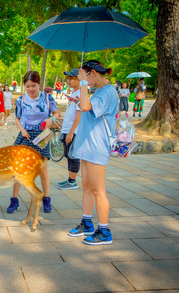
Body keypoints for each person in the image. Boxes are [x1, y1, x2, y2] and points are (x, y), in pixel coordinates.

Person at [68, 60, 118, 246]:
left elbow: (88, 107)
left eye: (85, 75)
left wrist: (82, 84)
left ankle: (104, 231)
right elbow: (87, 106)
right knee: (87, 186)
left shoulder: (108, 92)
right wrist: (79, 98)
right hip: (88, 145)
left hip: (97, 146)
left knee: (98, 190)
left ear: (94, 73)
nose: (85, 79)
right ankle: (87, 222)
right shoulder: (99, 91)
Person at [7, 71, 59, 214]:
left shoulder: (47, 98)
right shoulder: (21, 100)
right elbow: (17, 118)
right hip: (26, 135)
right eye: (28, 86)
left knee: (43, 170)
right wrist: (22, 130)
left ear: (39, 84)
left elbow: (56, 113)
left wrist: (51, 120)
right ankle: (14, 200)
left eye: (34, 86)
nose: (31, 89)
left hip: (43, 134)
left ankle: (46, 199)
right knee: (19, 170)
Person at [58, 68, 81, 190]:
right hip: (67, 130)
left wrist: (71, 132)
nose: (68, 81)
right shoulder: (73, 94)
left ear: (79, 80)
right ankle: (69, 179)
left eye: (71, 79)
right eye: (68, 79)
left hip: (73, 131)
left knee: (73, 155)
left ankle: (73, 181)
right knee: (68, 155)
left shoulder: (81, 95)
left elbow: (79, 115)